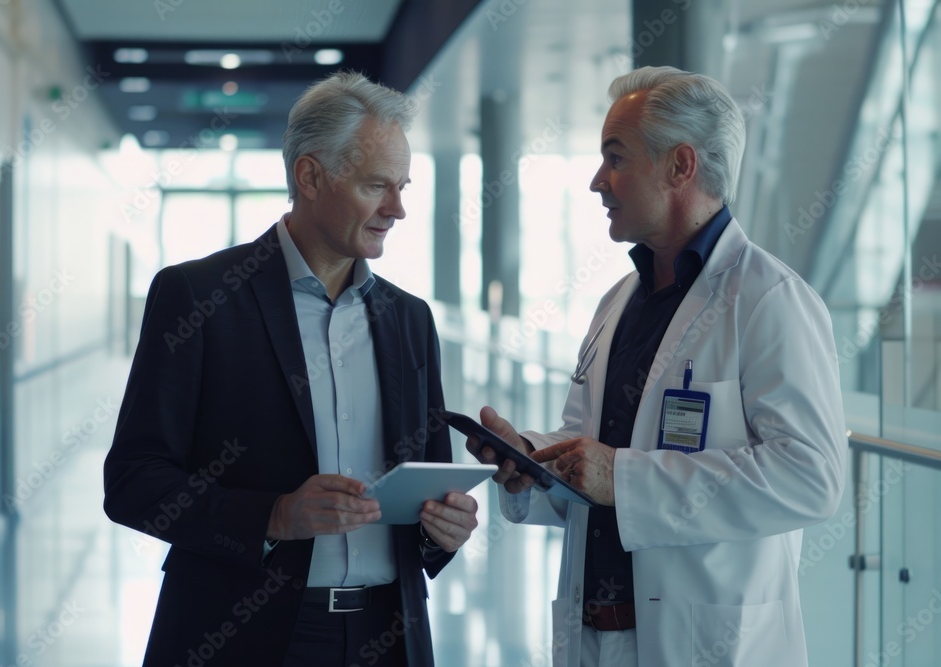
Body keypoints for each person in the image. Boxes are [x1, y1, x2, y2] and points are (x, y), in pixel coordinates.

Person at [469, 66, 847, 667]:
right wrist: (533, 460)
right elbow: (589, 448)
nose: (598, 182)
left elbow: (811, 477)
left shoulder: (771, 301)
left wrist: (624, 478)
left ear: (681, 166)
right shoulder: (618, 300)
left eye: (615, 158)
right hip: (595, 634)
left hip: (708, 641)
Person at [104, 71, 478, 667]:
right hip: (239, 635)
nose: (397, 209)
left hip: (390, 636)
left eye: (402, 187)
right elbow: (133, 482)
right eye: (377, 186)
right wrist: (274, 515)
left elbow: (426, 488)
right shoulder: (198, 297)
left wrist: (444, 530)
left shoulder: (409, 319)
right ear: (309, 176)